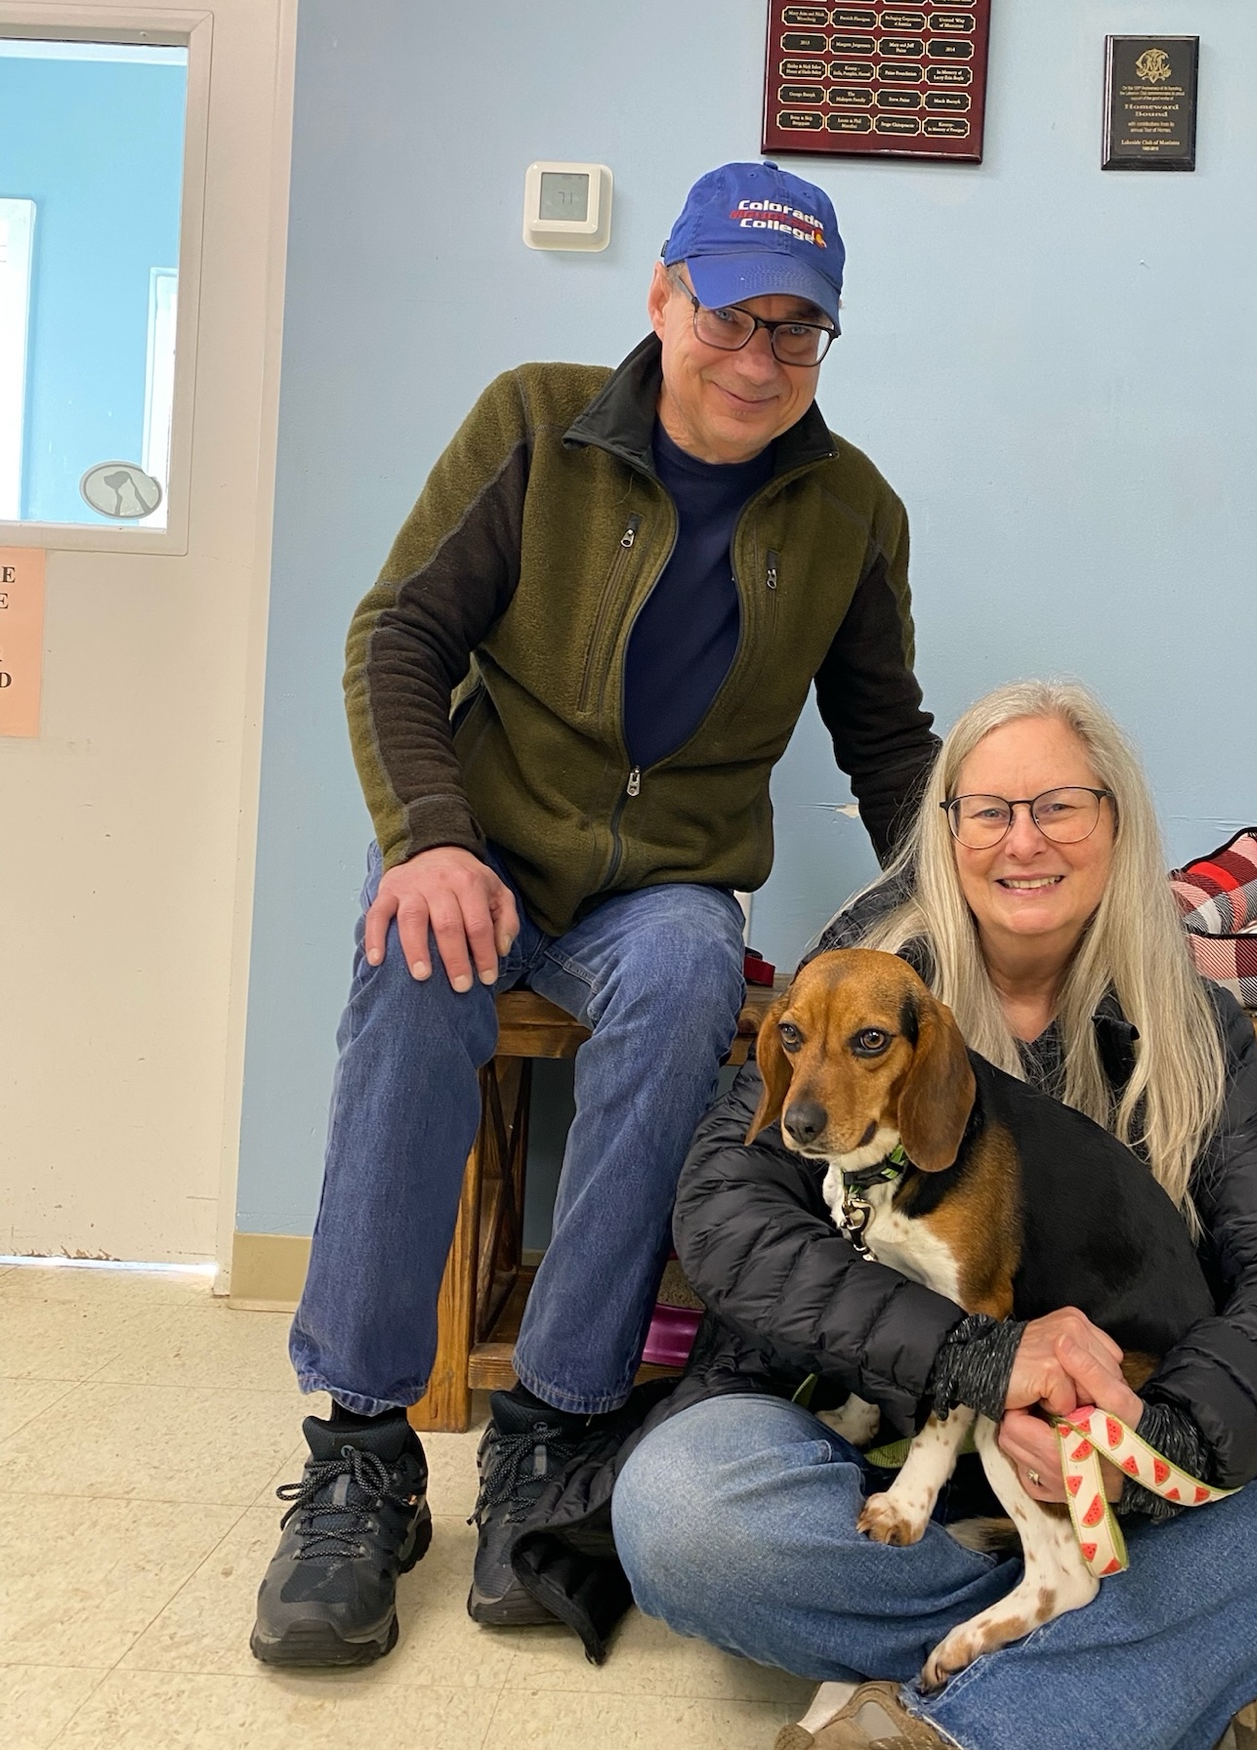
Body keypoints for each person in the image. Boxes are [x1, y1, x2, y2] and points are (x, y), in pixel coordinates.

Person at [250, 161, 939, 1669]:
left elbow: (888, 742)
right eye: (730, 315)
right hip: (480, 848)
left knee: (692, 971)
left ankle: (552, 1432)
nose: (758, 357)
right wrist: (430, 841)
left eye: (797, 330)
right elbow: (398, 635)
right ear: (664, 298)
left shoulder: (853, 511)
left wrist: (964, 905)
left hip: (665, 887)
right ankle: (361, 1448)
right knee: (413, 965)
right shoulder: (534, 422)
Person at [611, 680, 1257, 1750]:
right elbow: (726, 1218)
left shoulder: (1193, 1026)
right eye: (986, 810)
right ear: (946, 833)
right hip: (872, 1442)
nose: (1022, 839)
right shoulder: (857, 984)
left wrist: (1155, 1440)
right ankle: (1174, 1673)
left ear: (1117, 826)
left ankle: (967, 1737)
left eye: (1059, 805)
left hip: (1105, 1462)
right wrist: (978, 1358)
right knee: (679, 1509)